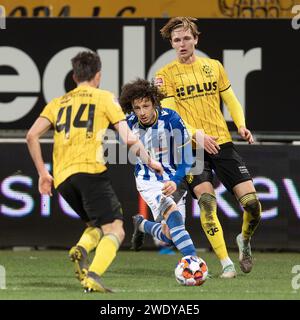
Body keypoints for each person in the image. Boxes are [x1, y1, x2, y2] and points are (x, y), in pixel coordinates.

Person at [26, 51, 163, 293]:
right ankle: (94, 276)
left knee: (98, 225)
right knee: (117, 229)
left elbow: (32, 135)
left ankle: (80, 249)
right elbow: (130, 139)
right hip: (89, 172)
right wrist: (150, 161)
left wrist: (42, 173)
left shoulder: (57, 102)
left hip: (63, 177)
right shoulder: (104, 98)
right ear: (97, 76)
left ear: (74, 75)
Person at [155, 17, 262, 278]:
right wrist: (197, 135)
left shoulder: (213, 67)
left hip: (222, 143)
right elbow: (171, 116)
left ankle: (244, 241)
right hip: (190, 147)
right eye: (176, 40)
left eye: (186, 38)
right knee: (206, 201)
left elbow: (231, 99)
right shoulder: (164, 75)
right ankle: (226, 263)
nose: (181, 44)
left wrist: (241, 125)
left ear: (196, 39)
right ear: (172, 43)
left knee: (252, 205)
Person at [119, 78, 198, 259]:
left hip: (173, 177)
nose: (142, 112)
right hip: (148, 180)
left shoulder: (171, 119)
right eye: (137, 108)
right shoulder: (129, 123)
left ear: (154, 102)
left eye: (146, 106)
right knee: (173, 215)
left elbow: (187, 158)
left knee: (170, 236)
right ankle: (194, 263)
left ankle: (142, 225)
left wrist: (176, 181)